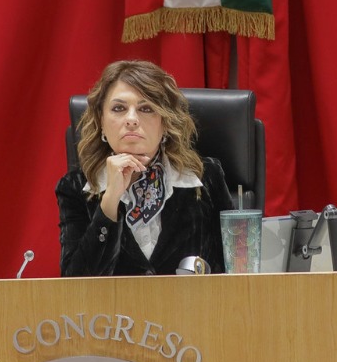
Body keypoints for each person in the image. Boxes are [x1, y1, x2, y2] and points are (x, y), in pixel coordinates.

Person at [58, 60, 235, 275]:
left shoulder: (206, 178)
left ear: (166, 123)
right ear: (101, 122)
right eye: (119, 108)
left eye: (146, 108)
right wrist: (109, 201)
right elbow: (74, 283)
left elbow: (234, 269)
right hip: (113, 300)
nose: (131, 119)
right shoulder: (75, 187)